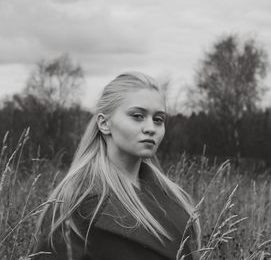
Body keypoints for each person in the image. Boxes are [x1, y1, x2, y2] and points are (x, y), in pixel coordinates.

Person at [32, 72, 201, 260]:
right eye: (137, 116)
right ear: (104, 124)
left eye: (158, 119)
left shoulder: (175, 198)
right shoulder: (78, 202)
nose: (151, 128)